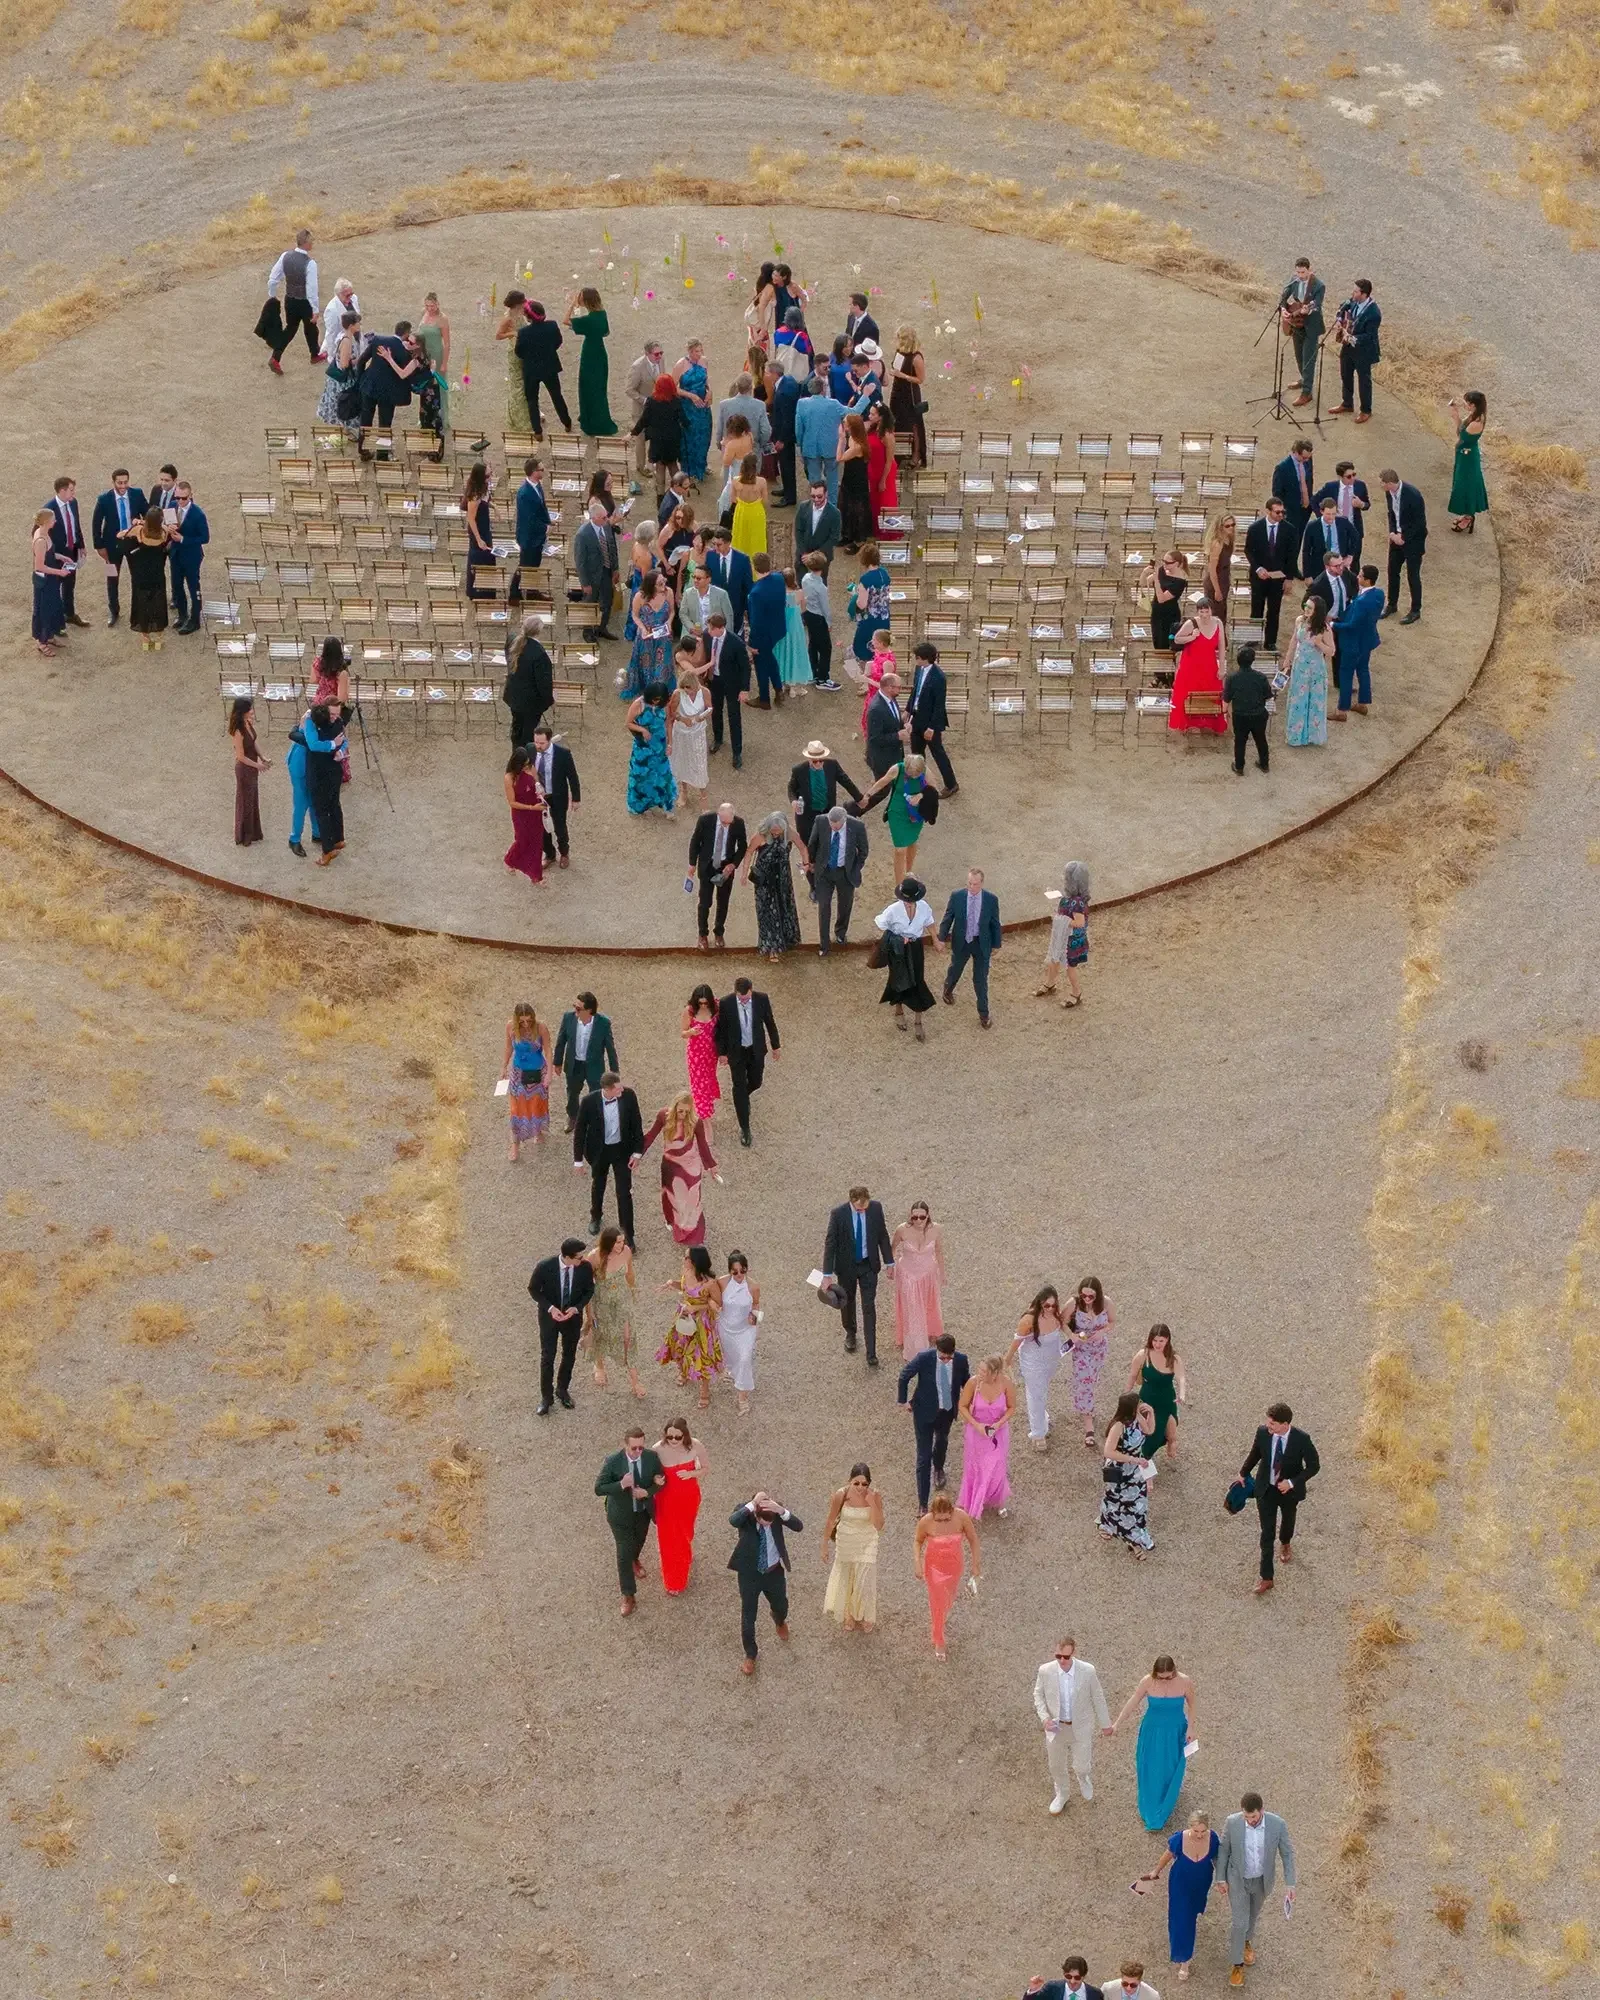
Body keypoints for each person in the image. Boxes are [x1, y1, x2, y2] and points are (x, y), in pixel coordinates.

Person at [1236, 1400, 1320, 1595]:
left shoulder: (1301, 1439)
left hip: (1288, 1492)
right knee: (1266, 1533)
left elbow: (1314, 1466)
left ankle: (1285, 1542)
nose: (1268, 1425)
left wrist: (1291, 1483)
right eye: (1268, 1422)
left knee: (1288, 1520)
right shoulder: (1263, 1433)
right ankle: (1267, 1577)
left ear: (1285, 1424)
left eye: (1272, 1423)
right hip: (1266, 1489)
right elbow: (1255, 1454)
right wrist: (1242, 1473)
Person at [1109, 1654, 1196, 1832]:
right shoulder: (1147, 1681)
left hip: (1175, 1731)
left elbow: (1193, 1704)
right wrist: (1117, 1724)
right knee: (1149, 1765)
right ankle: (1151, 1804)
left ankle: (1167, 1799)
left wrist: (1191, 1728)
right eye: (1161, 1677)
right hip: (1152, 1731)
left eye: (1169, 1677)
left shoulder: (1185, 1681)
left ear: (1174, 1671)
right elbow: (1133, 1701)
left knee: (1171, 1767)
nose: (1164, 1680)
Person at [1217, 1793, 1297, 1986]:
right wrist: (1220, 1878)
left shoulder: (1277, 1825)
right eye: (1246, 1817)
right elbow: (1224, 1850)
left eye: (1253, 1817)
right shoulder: (1232, 1822)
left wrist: (1290, 1883)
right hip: (1238, 1880)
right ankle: (1237, 1964)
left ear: (1261, 1810)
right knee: (1239, 1922)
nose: (1250, 1821)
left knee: (1252, 1916)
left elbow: (1287, 1854)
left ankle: (1246, 1942)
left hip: (1262, 1881)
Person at [1033, 1634, 1113, 1814]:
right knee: (1056, 1765)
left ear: (1074, 1653)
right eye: (1058, 1656)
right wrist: (1045, 1718)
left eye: (1066, 1657)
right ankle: (1062, 1793)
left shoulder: (1088, 1671)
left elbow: (1097, 1697)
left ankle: (1083, 1777)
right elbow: (1038, 1695)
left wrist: (1105, 1723)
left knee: (1082, 1765)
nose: (1062, 1660)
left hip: (1081, 1727)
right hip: (1056, 1727)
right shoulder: (1045, 1671)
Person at [1138, 1811, 1219, 1983]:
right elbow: (1167, 1855)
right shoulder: (1179, 1839)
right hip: (1180, 1885)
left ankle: (1191, 1924)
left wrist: (1222, 1879)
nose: (1199, 1835)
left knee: (1194, 1912)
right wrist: (1155, 1872)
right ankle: (1185, 1960)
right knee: (1182, 1921)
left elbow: (1217, 1859)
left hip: (1201, 1884)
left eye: (1202, 1832)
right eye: (1195, 1831)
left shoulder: (1213, 1839)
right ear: (1190, 1827)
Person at [594, 1426, 664, 1615]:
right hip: (620, 1516)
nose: (638, 1452)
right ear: (625, 1445)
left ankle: (635, 1559)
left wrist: (648, 1491)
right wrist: (621, 1484)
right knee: (623, 1553)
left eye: (641, 1447)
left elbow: (660, 1480)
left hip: (642, 1512)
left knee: (639, 1541)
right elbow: (599, 1488)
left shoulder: (651, 1457)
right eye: (634, 1448)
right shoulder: (613, 1462)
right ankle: (628, 1595)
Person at [728, 1489, 801, 1672]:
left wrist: (781, 1511)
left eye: (771, 1522)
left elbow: (798, 1526)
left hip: (773, 1571)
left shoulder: (775, 1514)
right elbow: (733, 1520)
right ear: (756, 1514)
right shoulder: (745, 1514)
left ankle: (779, 1620)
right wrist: (752, 1504)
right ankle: (750, 1654)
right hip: (749, 1575)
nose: (767, 1525)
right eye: (763, 1522)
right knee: (748, 1616)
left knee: (781, 1604)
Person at [822, 1184, 893, 1365]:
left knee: (869, 1306)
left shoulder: (875, 1209)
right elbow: (830, 1244)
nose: (863, 1210)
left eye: (865, 1206)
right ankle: (851, 1333)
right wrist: (827, 1273)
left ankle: (871, 1351)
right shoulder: (838, 1214)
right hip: (847, 1267)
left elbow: (882, 1235)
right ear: (852, 1202)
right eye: (860, 1207)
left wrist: (889, 1262)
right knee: (847, 1301)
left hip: (869, 1265)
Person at [637, 1091, 717, 1247]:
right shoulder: (663, 1116)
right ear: (674, 1107)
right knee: (671, 1196)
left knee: (693, 1198)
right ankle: (673, 1221)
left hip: (691, 1166)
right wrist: (637, 1155)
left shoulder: (695, 1122)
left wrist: (712, 1166)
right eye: (681, 1111)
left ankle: (695, 1236)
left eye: (687, 1111)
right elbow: (651, 1135)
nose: (683, 1114)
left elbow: (702, 1145)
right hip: (670, 1165)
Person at [572, 1071, 644, 1247]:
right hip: (599, 1152)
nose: (622, 1090)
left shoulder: (628, 1096)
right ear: (607, 1089)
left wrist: (637, 1153)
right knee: (598, 1184)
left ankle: (628, 1233)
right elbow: (580, 1131)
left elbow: (637, 1123)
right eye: (618, 1089)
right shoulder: (589, 1102)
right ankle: (596, 1216)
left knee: (624, 1192)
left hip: (622, 1150)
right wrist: (578, 1160)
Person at [531, 1236, 596, 1415]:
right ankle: (546, 1397)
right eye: (579, 1257)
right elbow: (534, 1289)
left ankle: (562, 1389)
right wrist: (551, 1308)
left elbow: (589, 1290)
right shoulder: (545, 1267)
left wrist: (576, 1308)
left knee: (569, 1354)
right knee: (547, 1357)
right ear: (567, 1257)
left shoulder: (584, 1268)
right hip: (549, 1320)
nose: (582, 1260)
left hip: (572, 1319)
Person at [712, 976, 780, 1147]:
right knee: (739, 1085)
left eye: (746, 997)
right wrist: (722, 1053)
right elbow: (720, 1030)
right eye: (740, 998)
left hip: (756, 1049)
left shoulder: (761, 999)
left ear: (751, 990)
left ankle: (742, 1097)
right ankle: (745, 1127)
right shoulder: (726, 1003)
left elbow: (770, 1023)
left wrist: (775, 1046)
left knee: (756, 1082)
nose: (744, 1001)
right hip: (737, 1052)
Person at [913, 1490, 979, 1661]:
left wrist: (976, 1564)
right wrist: (917, 1563)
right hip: (934, 1568)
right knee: (938, 1603)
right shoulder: (925, 1522)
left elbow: (973, 1539)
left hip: (954, 1567)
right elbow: (918, 1541)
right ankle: (939, 1639)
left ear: (952, 1510)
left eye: (946, 1518)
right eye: (939, 1519)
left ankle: (939, 1624)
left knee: (947, 1601)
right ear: (933, 1513)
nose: (943, 1521)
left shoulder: (962, 1517)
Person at [874, 877, 940, 1041]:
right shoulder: (893, 910)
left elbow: (929, 922)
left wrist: (936, 940)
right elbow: (881, 923)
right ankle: (899, 1010)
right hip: (898, 949)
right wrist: (896, 937)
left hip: (915, 947)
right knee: (897, 980)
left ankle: (918, 1021)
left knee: (917, 980)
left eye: (911, 900)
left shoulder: (923, 907)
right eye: (905, 900)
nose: (908, 903)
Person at [657, 1244, 723, 1407]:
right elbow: (683, 1285)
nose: (683, 1259)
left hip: (702, 1322)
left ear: (695, 1261)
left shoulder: (710, 1283)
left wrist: (697, 1307)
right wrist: (673, 1283)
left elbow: (719, 1304)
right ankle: (684, 1372)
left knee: (703, 1354)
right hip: (684, 1316)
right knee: (679, 1347)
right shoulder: (686, 1272)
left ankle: (704, 1390)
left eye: (686, 1257)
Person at [821, 1463, 884, 1633]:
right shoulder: (841, 1495)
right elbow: (830, 1520)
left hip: (867, 1539)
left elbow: (878, 1525)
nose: (860, 1488)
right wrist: (824, 1545)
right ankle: (849, 1612)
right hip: (847, 1539)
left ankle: (864, 1613)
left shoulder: (875, 1496)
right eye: (856, 1483)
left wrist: (872, 1503)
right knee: (848, 1576)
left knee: (865, 1579)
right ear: (850, 1481)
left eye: (864, 1484)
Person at [938, 867, 1001, 1026]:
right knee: (955, 969)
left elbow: (995, 923)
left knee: (980, 979)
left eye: (976, 884)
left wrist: (996, 944)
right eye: (970, 884)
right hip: (962, 941)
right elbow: (948, 917)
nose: (972, 888)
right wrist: (941, 938)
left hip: (981, 943)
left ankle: (984, 1014)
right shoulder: (957, 896)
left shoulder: (991, 900)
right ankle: (948, 989)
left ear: (982, 883)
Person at [584, 1227, 641, 1397]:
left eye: (623, 1241)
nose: (622, 1245)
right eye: (618, 1242)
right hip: (602, 1302)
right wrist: (589, 1312)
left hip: (622, 1300)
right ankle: (599, 1366)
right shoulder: (594, 1257)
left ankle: (635, 1381)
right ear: (608, 1242)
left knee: (628, 1337)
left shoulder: (626, 1252)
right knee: (600, 1334)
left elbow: (630, 1273)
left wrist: (632, 1290)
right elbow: (587, 1287)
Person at [956, 1353, 1014, 1521]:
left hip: (998, 1433)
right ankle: (975, 1499)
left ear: (994, 1373)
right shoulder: (973, 1383)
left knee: (997, 1467)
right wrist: (977, 1425)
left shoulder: (1006, 1384)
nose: (979, 1373)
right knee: (976, 1468)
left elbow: (1012, 1408)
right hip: (976, 1432)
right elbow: (962, 1406)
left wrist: (998, 1424)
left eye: (984, 1371)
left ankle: (998, 1500)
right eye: (979, 1369)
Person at [740, 814, 804, 963]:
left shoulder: (790, 833)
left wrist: (805, 865)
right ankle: (772, 947)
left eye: (778, 831)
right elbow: (749, 851)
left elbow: (802, 847)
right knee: (767, 913)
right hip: (764, 879)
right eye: (773, 831)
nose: (775, 834)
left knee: (785, 908)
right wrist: (744, 873)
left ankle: (787, 940)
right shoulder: (760, 836)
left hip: (783, 878)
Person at [652, 1416, 706, 1594]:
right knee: (668, 1539)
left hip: (689, 1497)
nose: (673, 1440)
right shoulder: (657, 1449)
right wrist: (656, 1479)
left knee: (684, 1534)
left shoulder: (696, 1445)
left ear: (685, 1435)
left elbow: (706, 1468)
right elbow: (649, 1472)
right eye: (670, 1437)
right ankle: (674, 1581)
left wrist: (691, 1473)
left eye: (678, 1437)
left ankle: (684, 1558)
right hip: (666, 1499)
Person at [1099, 1390, 1155, 1557]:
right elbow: (1108, 1451)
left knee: (1137, 1503)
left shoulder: (1137, 1418)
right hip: (1121, 1470)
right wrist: (1132, 1459)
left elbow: (1149, 1431)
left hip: (1136, 1470)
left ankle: (1134, 1536)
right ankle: (1122, 1533)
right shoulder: (1118, 1426)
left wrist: (1150, 1413)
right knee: (1116, 1501)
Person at [1010, 1286, 1067, 1452]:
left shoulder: (1056, 1315)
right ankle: (1038, 1433)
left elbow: (1064, 1324)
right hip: (1033, 1363)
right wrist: (1007, 1361)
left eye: (1053, 1305)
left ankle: (1042, 1417)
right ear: (1040, 1303)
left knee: (1041, 1392)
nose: (1050, 1309)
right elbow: (1016, 1342)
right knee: (1035, 1395)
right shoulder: (1029, 1320)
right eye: (1046, 1305)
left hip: (1050, 1361)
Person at [808, 804, 869, 956]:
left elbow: (864, 850)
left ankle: (840, 933)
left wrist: (855, 868)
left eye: (837, 826)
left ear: (844, 820)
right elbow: (812, 843)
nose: (833, 828)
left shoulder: (857, 826)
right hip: (825, 872)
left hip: (845, 873)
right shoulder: (820, 821)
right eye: (831, 825)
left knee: (845, 905)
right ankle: (824, 944)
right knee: (824, 907)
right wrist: (813, 864)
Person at [91, 469, 148, 628]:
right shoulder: (104, 499)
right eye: (120, 483)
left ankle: (138, 611)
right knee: (111, 578)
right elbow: (96, 524)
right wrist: (99, 547)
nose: (123, 486)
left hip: (133, 543)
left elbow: (148, 513)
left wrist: (141, 523)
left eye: (125, 482)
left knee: (137, 577)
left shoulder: (137, 494)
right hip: (111, 547)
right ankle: (113, 611)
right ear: (113, 482)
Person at [553, 992, 616, 1134]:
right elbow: (561, 1040)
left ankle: (594, 1119)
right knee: (572, 1092)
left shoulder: (603, 1023)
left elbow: (610, 1048)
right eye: (574, 1006)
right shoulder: (568, 1018)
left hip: (594, 1066)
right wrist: (557, 1062)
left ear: (589, 1010)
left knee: (596, 1093)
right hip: (574, 1064)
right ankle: (573, 1117)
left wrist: (614, 1071)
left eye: (578, 1008)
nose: (575, 1011)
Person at [889, 1202, 944, 1364]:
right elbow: (892, 1248)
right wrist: (891, 1267)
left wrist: (942, 1273)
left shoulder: (936, 1229)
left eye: (922, 1217)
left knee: (928, 1304)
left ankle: (930, 1329)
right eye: (914, 1217)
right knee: (913, 1309)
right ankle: (916, 1345)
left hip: (928, 1274)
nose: (918, 1220)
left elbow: (939, 1251)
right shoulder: (902, 1230)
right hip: (908, 1276)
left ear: (928, 1215)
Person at [688, 801, 746, 950]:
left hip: (725, 868)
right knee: (705, 902)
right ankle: (703, 935)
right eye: (724, 823)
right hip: (707, 866)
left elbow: (742, 846)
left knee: (723, 902)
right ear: (719, 815)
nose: (727, 825)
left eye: (729, 823)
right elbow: (695, 842)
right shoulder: (705, 820)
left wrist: (733, 864)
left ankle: (719, 932)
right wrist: (692, 864)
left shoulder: (738, 823)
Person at [500, 999, 551, 1160]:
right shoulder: (510, 1027)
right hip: (518, 1072)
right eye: (522, 1022)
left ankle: (537, 1131)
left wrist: (549, 1073)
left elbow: (548, 1050)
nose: (526, 1024)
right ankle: (515, 1145)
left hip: (538, 1072)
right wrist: (503, 1067)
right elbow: (508, 1048)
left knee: (537, 1104)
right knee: (517, 1109)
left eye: (529, 1020)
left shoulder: (541, 1027)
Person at [1036, 859, 1091, 1008]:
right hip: (1062, 936)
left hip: (1072, 940)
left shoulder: (1078, 902)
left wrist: (1061, 920)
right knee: (1054, 959)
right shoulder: (1068, 897)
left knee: (1070, 967)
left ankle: (1076, 992)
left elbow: (1080, 922)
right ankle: (1050, 983)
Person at [1333, 564, 1385, 718]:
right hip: (1367, 640)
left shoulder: (1361, 602)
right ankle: (1362, 703)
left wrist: (1333, 625)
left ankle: (1342, 710)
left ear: (1367, 580)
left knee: (1346, 673)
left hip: (1353, 642)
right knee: (1363, 670)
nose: (1358, 577)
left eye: (1361, 576)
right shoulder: (1379, 594)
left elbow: (1351, 625)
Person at [788, 741, 861, 850]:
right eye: (814, 761)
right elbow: (791, 788)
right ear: (809, 759)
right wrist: (793, 801)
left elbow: (846, 781)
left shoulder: (832, 765)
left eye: (821, 760)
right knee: (809, 846)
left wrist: (859, 798)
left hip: (827, 812)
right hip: (807, 816)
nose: (818, 763)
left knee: (827, 844)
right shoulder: (799, 770)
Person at [1167, 602, 1226, 736]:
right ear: (1198, 612)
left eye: (1207, 611)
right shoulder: (1191, 623)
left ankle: (1208, 722)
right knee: (1187, 693)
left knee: (1211, 692)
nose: (1204, 615)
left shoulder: (1218, 623)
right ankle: (1189, 723)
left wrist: (1221, 667)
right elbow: (1177, 639)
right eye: (1201, 611)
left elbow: (1222, 646)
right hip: (1190, 666)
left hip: (1209, 665)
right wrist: (1192, 637)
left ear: (1211, 610)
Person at [1128, 1324, 1185, 1463]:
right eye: (1155, 1340)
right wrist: (1126, 1395)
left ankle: (1171, 1442)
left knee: (1171, 1429)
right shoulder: (1143, 1355)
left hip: (1166, 1399)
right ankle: (1143, 1459)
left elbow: (1181, 1377)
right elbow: (1132, 1375)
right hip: (1148, 1399)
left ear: (1167, 1340)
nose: (1157, 1344)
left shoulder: (1173, 1358)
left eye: (1161, 1341)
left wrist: (1182, 1394)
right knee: (1150, 1433)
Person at [265, 228, 320, 371]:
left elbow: (273, 279)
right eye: (311, 241)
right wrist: (315, 309)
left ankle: (275, 357)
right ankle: (315, 355)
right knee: (311, 329)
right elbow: (311, 289)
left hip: (290, 299)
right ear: (306, 243)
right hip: (305, 302)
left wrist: (272, 296)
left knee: (290, 329)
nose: (312, 244)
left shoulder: (285, 256)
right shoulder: (310, 264)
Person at [702, 611, 751, 768]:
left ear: (720, 628)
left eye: (711, 628)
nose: (708, 631)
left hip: (732, 684)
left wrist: (744, 689)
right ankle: (718, 739)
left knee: (734, 716)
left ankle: (737, 752)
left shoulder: (736, 643)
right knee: (715, 711)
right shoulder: (707, 636)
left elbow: (745, 668)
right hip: (714, 681)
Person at [906, 641, 957, 793]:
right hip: (916, 717)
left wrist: (931, 728)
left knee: (938, 753)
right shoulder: (919, 669)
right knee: (916, 753)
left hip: (929, 723)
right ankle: (918, 782)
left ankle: (951, 784)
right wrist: (908, 710)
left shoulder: (939, 677)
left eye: (917, 657)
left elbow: (939, 705)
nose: (916, 659)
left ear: (925, 658)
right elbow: (915, 692)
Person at [301, 704, 348, 866]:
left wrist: (334, 746)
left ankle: (327, 851)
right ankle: (338, 839)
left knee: (321, 811)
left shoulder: (313, 724)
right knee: (334, 805)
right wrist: (339, 749)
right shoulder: (337, 724)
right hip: (334, 771)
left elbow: (309, 743)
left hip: (318, 774)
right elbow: (344, 741)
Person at [1283, 595, 1333, 747]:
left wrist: (1319, 643)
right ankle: (1296, 735)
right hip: (1300, 667)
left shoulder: (1324, 628)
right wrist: (1287, 660)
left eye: (1310, 608)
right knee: (1298, 700)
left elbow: (1331, 651)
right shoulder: (1300, 620)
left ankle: (1312, 735)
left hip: (1315, 669)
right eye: (1306, 606)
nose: (1306, 609)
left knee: (1314, 702)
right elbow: (1294, 640)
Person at [1242, 502, 1292, 653]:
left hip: (1278, 578)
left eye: (1283, 512)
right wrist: (1258, 568)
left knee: (1274, 610)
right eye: (1277, 512)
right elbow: (1248, 551)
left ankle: (1270, 641)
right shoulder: (1255, 528)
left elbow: (1291, 556)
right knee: (1256, 608)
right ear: (1268, 511)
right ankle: (1254, 639)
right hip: (1259, 577)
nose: (1281, 515)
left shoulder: (1289, 529)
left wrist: (1289, 578)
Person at [1379, 468, 1427, 624]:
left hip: (1413, 541)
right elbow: (1391, 514)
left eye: (1383, 483)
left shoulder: (1413, 495)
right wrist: (1393, 533)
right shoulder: (1389, 493)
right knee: (1392, 571)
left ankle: (1415, 610)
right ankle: (1392, 604)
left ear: (1390, 483)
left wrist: (1403, 537)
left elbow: (1420, 523)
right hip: (1397, 539)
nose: (1381, 486)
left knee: (1413, 576)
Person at [515, 300, 571, 435]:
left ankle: (537, 431)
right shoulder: (552, 326)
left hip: (531, 369)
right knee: (556, 396)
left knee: (532, 399)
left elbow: (519, 352)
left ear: (528, 317)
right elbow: (558, 341)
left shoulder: (523, 332)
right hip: (549, 366)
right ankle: (567, 422)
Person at [1330, 276, 1381, 421]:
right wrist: (1340, 322)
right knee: (1345, 374)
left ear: (1364, 294)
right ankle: (1347, 403)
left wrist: (1352, 338)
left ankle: (1366, 410)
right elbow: (1341, 308)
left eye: (1356, 291)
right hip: (1348, 347)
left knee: (1364, 380)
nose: (1352, 294)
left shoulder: (1374, 314)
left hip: (1363, 351)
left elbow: (1369, 336)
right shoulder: (1353, 301)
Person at [715, 1250, 760, 1412]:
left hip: (745, 1330)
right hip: (726, 1328)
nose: (739, 1274)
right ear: (729, 1271)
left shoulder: (753, 1286)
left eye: (743, 1271)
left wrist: (753, 1317)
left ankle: (743, 1396)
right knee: (731, 1356)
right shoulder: (722, 1282)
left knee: (745, 1359)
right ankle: (731, 1372)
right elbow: (710, 1295)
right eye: (735, 1272)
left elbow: (755, 1304)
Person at [1277, 255, 1325, 404]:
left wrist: (1307, 309)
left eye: (1303, 272)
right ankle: (1304, 380)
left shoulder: (1318, 285)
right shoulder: (1294, 280)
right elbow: (1283, 297)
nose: (1300, 275)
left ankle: (1307, 393)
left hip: (1311, 325)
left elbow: (1316, 304)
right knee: (1299, 355)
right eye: (1298, 272)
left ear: (1310, 270)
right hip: (1297, 323)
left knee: (1308, 358)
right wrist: (1284, 309)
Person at [624, 684, 677, 820]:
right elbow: (628, 723)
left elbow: (668, 724)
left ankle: (667, 806)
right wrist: (642, 730)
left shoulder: (664, 705)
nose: (656, 702)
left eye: (659, 699)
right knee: (640, 777)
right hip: (644, 748)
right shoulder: (639, 704)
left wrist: (670, 744)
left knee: (664, 776)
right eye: (654, 699)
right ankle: (640, 805)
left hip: (660, 746)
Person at [1223, 643, 1273, 779]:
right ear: (1253, 661)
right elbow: (1268, 696)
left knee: (1240, 741)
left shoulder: (1232, 678)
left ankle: (1239, 766)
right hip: (1258, 714)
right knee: (1261, 739)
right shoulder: (1261, 677)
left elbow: (1226, 699)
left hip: (1240, 715)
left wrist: (1224, 712)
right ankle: (1264, 764)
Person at [630, 372, 683, 501]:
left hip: (657, 441)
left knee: (660, 467)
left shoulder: (652, 402)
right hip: (673, 440)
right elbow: (684, 420)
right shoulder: (676, 401)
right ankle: (680, 491)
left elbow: (644, 420)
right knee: (673, 465)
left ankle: (660, 495)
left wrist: (633, 433)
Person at [796, 375, 847, 505]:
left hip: (810, 447)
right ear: (823, 389)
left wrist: (800, 445)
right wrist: (864, 396)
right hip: (831, 447)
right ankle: (832, 508)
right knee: (832, 480)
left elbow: (799, 429)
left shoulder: (801, 404)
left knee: (814, 480)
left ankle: (816, 506)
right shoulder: (833, 404)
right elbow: (854, 411)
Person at [665, 668, 710, 812]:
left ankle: (703, 797)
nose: (686, 690)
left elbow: (710, 708)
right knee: (683, 761)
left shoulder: (704, 692)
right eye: (683, 687)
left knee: (699, 763)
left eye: (688, 687)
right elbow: (671, 712)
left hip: (697, 733)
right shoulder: (678, 694)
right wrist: (683, 719)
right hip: (681, 733)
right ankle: (684, 792)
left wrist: (698, 718)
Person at [745, 552, 787, 707]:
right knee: (769, 658)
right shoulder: (779, 578)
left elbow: (756, 622)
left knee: (761, 664)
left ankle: (764, 698)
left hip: (762, 635)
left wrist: (752, 643)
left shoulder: (756, 592)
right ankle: (778, 689)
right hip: (777, 628)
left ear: (755, 568)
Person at [501, 745, 547, 886]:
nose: (527, 766)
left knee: (536, 842)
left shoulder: (529, 768)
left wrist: (540, 792)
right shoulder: (509, 778)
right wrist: (531, 808)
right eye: (524, 764)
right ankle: (510, 859)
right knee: (522, 840)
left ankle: (536, 876)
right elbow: (512, 802)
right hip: (522, 814)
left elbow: (537, 784)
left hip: (535, 810)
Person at [167, 481, 208, 635]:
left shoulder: (197, 514)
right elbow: (166, 522)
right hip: (176, 554)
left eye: (183, 498)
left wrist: (183, 539)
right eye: (177, 497)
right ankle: (182, 614)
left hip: (191, 556)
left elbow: (205, 537)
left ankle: (195, 620)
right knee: (177, 586)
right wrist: (167, 527)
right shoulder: (172, 506)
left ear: (190, 496)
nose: (180, 501)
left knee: (193, 587)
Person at [228, 696, 268, 847]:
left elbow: (254, 742)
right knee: (245, 801)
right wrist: (258, 766)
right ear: (243, 711)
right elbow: (240, 756)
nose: (252, 711)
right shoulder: (238, 731)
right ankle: (244, 834)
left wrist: (262, 757)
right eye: (249, 709)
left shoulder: (248, 723)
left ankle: (253, 832)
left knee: (252, 799)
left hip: (252, 767)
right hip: (245, 769)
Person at [510, 457, 551, 601]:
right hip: (528, 537)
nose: (543, 471)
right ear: (534, 472)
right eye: (541, 469)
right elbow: (529, 519)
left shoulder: (538, 485)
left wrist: (548, 522)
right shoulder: (524, 493)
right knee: (525, 566)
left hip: (537, 535)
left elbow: (542, 506)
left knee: (534, 565)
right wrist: (544, 527)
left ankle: (533, 592)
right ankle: (514, 594)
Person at [1448, 390, 1489, 531]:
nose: (1465, 405)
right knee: (1463, 483)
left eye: (1467, 403)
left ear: (1473, 405)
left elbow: (1461, 434)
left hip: (1468, 457)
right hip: (1465, 453)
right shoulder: (1474, 416)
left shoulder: (1476, 423)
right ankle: (1467, 514)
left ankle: (1469, 517)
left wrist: (1455, 417)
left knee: (1466, 485)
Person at [624, 337, 665, 477]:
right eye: (656, 354)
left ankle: (653, 460)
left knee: (655, 435)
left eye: (661, 353)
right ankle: (640, 466)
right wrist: (645, 400)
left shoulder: (660, 361)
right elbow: (629, 389)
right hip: (641, 410)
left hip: (657, 407)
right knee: (640, 439)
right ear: (647, 353)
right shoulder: (637, 367)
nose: (659, 356)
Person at [888, 327, 927, 466]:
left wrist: (903, 376)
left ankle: (916, 454)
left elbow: (920, 379)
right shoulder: (900, 352)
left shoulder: (916, 357)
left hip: (910, 393)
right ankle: (898, 453)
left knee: (914, 424)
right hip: (897, 392)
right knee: (896, 422)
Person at [1269, 438, 1315, 558]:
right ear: (1296, 452)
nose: (1307, 460)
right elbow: (1277, 492)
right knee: (1288, 541)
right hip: (1290, 510)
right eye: (1304, 458)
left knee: (1299, 538)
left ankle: (1293, 567)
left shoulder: (1308, 461)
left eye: (1308, 457)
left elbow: (1309, 481)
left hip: (1305, 508)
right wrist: (1282, 512)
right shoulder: (1282, 468)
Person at [674, 340, 713, 481]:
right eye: (696, 351)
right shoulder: (680, 365)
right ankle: (689, 470)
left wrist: (709, 391)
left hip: (703, 406)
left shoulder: (704, 361)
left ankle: (701, 465)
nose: (699, 354)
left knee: (704, 435)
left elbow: (707, 380)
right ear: (690, 352)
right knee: (690, 437)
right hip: (688, 407)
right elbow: (674, 388)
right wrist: (690, 395)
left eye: (700, 350)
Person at [495, 290, 533, 432]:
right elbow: (498, 335)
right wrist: (513, 333)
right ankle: (518, 419)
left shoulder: (521, 313)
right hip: (514, 352)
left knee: (526, 382)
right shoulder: (508, 318)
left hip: (524, 351)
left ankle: (527, 414)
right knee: (517, 385)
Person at [1298, 495, 1357, 585]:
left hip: (1339, 565)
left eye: (1333, 514)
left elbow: (1355, 536)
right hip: (1319, 568)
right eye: (1328, 514)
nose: (1331, 517)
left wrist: (1350, 555)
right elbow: (1306, 551)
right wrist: (1307, 575)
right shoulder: (1312, 526)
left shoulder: (1343, 522)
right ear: (1321, 511)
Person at [284, 715, 319, 857]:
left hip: (311, 767)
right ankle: (294, 839)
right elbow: (304, 739)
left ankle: (317, 833)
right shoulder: (311, 718)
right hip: (300, 765)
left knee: (314, 801)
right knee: (301, 803)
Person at [794, 479, 842, 582]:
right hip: (803, 555)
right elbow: (798, 531)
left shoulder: (835, 513)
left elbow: (834, 538)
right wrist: (803, 553)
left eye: (819, 496)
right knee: (802, 586)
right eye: (813, 496)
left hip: (822, 557)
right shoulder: (803, 507)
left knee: (820, 587)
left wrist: (814, 555)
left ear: (826, 494)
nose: (816, 499)